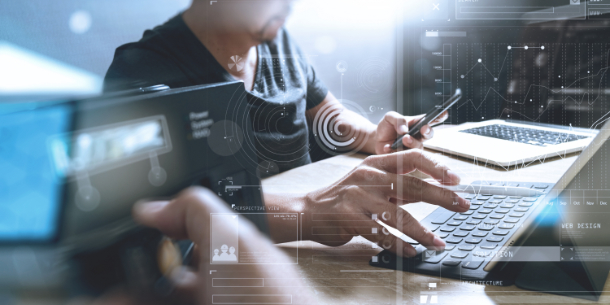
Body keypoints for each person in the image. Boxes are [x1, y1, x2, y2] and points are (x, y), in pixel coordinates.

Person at [104, 0, 469, 258]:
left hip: (309, 251)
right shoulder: (142, 71)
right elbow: (163, 211)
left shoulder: (276, 40)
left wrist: (374, 137)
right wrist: (307, 212)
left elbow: (330, 115)